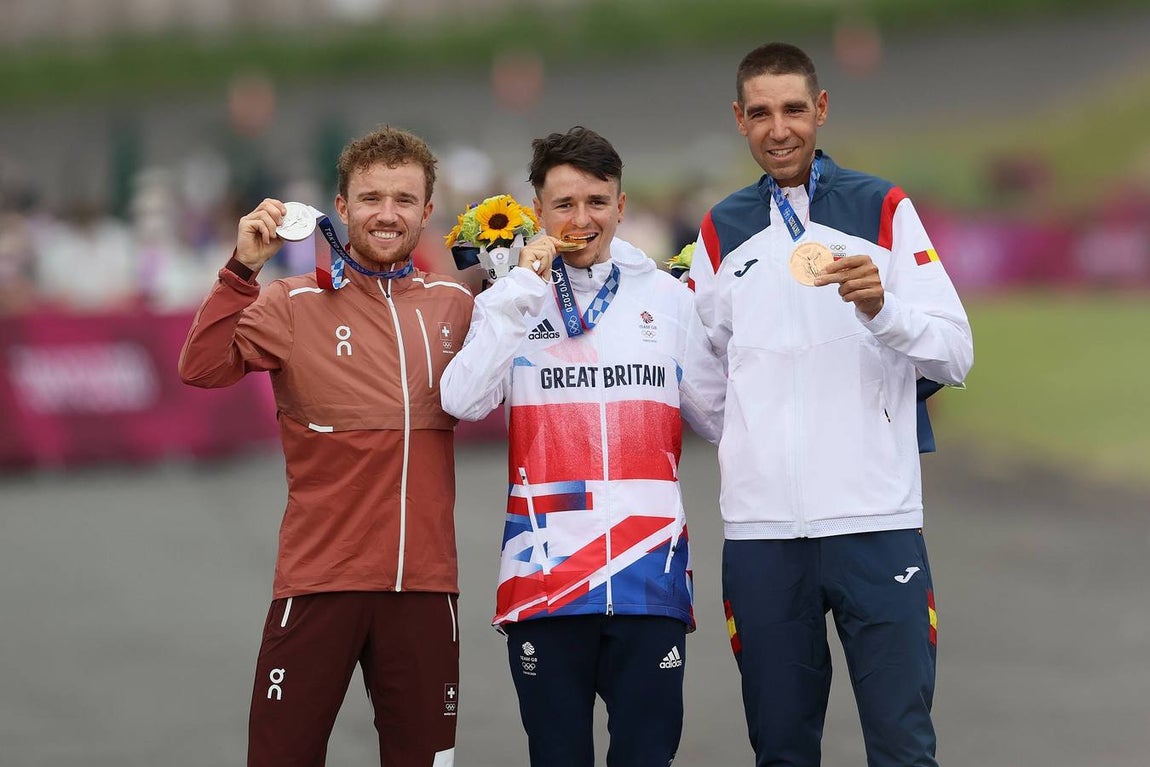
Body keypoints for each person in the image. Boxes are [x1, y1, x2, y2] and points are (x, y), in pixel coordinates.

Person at [688, 43, 974, 766]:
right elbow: (700, 379)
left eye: (792, 109)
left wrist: (884, 311)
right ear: (739, 120)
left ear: (819, 110)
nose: (778, 128)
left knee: (903, 747)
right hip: (762, 538)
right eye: (760, 113)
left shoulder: (882, 206)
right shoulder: (720, 230)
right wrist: (754, 448)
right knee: (782, 751)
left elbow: (955, 352)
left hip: (876, 524)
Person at [178, 125, 474, 767]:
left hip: (423, 589)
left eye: (404, 199)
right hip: (320, 583)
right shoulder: (292, 304)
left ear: (428, 211)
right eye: (370, 198)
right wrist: (242, 270)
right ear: (341, 208)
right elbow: (200, 369)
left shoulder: (457, 303)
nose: (387, 213)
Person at [440, 126, 725, 767]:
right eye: (564, 204)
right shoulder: (509, 302)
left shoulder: (667, 300)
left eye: (597, 202)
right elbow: (460, 400)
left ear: (622, 207)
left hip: (649, 574)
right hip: (545, 577)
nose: (582, 219)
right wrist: (516, 293)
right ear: (537, 211)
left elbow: (723, 418)